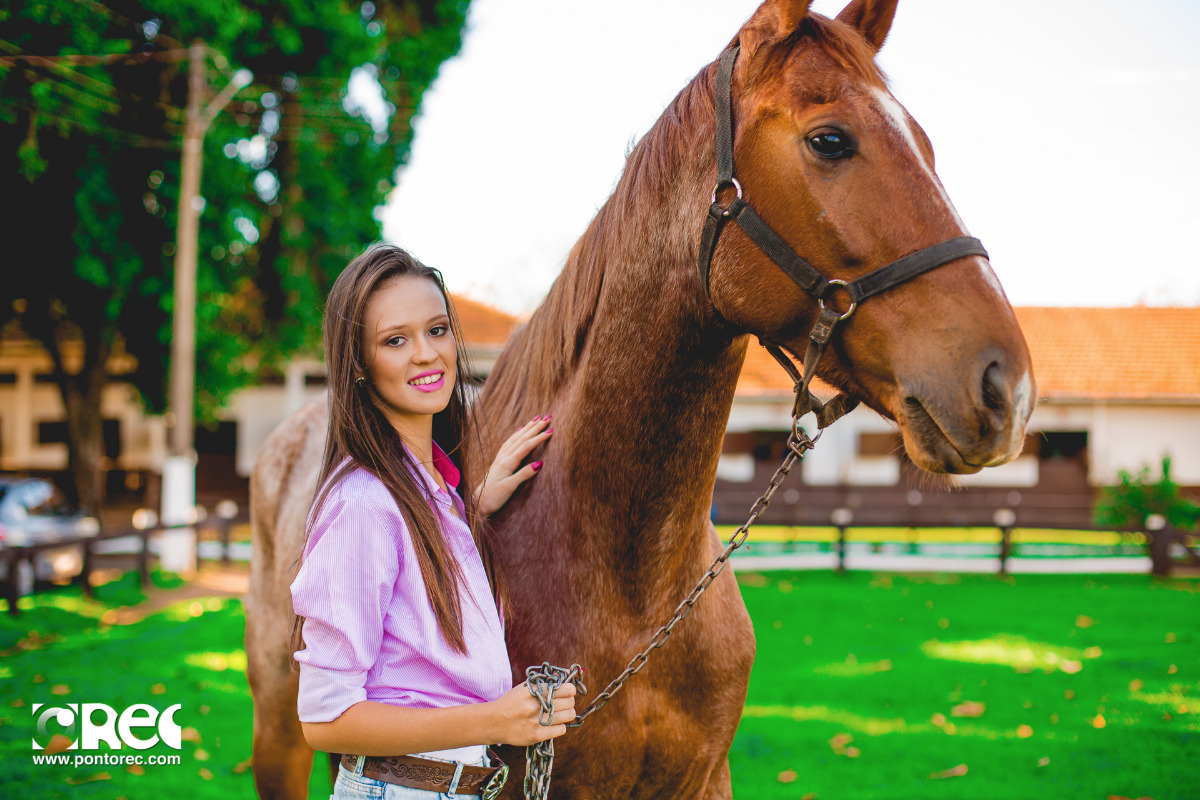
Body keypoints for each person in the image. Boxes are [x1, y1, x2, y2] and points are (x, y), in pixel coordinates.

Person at [290, 244, 576, 799]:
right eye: (395, 340)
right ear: (358, 365)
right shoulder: (363, 504)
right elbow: (324, 721)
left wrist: (473, 504)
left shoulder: (428, 491)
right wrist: (495, 720)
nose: (426, 354)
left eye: (438, 330)